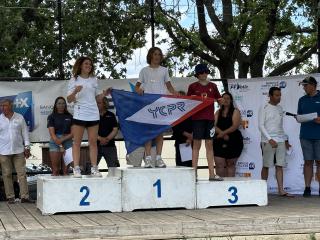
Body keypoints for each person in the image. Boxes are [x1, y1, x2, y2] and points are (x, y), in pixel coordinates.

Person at [135, 47, 178, 168]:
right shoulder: (144, 70)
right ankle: (148, 158)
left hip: (160, 104)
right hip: (147, 104)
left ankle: (159, 158)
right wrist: (138, 90)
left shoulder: (164, 70)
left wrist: (176, 94)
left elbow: (169, 86)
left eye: (159, 54)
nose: (157, 56)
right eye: (155, 54)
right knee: (148, 132)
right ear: (150, 56)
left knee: (159, 132)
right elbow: (137, 86)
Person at [67, 56, 109, 177]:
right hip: (80, 113)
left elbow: (96, 98)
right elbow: (69, 100)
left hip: (93, 114)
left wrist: (104, 94)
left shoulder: (94, 80)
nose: (88, 66)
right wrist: (75, 91)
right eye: (86, 64)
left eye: (90, 64)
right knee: (77, 142)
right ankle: (76, 168)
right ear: (80, 65)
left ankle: (94, 168)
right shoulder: (74, 79)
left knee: (93, 142)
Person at [187, 63, 223, 181]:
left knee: (209, 145)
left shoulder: (213, 85)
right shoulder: (192, 86)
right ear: (197, 74)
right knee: (196, 145)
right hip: (197, 119)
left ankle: (212, 174)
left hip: (209, 119)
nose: (204, 74)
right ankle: (194, 174)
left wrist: (222, 100)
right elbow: (188, 102)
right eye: (201, 72)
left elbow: (219, 99)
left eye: (206, 72)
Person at [258, 87, 293, 197]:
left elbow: (280, 127)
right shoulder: (264, 107)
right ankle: (262, 190)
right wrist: (269, 139)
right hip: (268, 141)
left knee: (279, 165)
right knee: (266, 165)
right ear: (270, 95)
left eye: (280, 95)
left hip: (280, 140)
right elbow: (260, 125)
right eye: (277, 95)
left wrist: (286, 139)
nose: (279, 97)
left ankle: (281, 190)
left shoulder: (280, 108)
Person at [0, 99, 35, 203]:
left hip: (18, 150)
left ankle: (24, 196)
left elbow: (25, 133)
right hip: (3, 151)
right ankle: (10, 197)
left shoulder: (19, 117)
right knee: (6, 174)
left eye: (5, 105)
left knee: (22, 173)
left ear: (11, 106)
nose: (3, 108)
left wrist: (27, 147)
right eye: (1, 106)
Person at [296, 76, 320, 197]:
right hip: (305, 135)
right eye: (303, 85)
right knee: (308, 162)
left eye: (305, 85)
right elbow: (299, 116)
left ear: (313, 85)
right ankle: (307, 188)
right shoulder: (302, 100)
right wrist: (298, 118)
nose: (304, 88)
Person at [214, 92, 243, 177]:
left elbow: (235, 126)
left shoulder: (235, 111)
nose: (225, 100)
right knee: (219, 164)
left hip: (234, 140)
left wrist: (223, 133)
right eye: (224, 98)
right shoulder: (217, 112)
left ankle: (229, 185)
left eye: (228, 98)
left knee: (230, 164)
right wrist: (222, 134)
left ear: (231, 101)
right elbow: (213, 125)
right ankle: (221, 186)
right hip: (219, 140)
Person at [47, 96, 73, 176]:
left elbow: (73, 133)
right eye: (59, 103)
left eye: (63, 103)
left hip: (68, 142)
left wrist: (63, 139)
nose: (61, 105)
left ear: (65, 105)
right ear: (56, 105)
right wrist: (60, 144)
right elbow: (52, 134)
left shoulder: (70, 116)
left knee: (66, 171)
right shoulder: (51, 116)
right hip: (55, 142)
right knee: (55, 170)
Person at [96, 97, 120, 168]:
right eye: (96, 103)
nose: (97, 105)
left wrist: (106, 139)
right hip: (95, 146)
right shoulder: (93, 115)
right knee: (90, 169)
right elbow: (90, 130)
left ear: (104, 104)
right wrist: (100, 139)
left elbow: (115, 129)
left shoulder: (111, 115)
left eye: (99, 103)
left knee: (113, 169)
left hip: (110, 146)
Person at [172, 91, 193, 167]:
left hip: (192, 141)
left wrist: (190, 138)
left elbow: (196, 124)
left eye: (183, 97)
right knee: (180, 165)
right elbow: (174, 126)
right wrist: (187, 134)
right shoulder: (174, 112)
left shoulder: (192, 110)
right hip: (180, 141)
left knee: (191, 165)